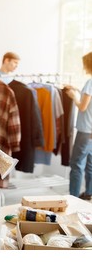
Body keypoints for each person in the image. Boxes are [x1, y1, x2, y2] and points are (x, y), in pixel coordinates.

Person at [66, 52, 92, 200]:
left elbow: (82, 106)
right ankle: (89, 193)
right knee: (90, 165)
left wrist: (74, 96)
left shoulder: (90, 82)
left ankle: (73, 197)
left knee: (76, 165)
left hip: (85, 131)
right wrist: (77, 89)